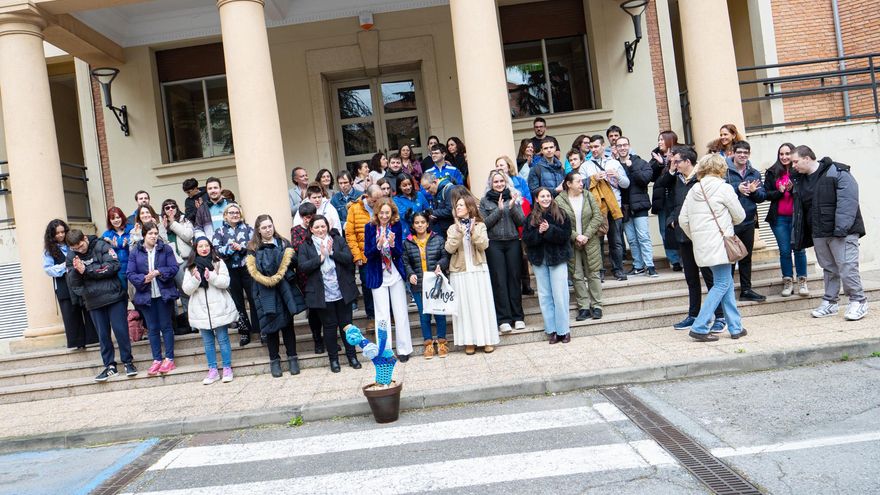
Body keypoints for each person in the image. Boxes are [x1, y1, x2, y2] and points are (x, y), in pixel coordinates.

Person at [791, 146, 868, 321]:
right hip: (819, 232)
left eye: (796, 161)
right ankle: (830, 302)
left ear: (807, 158)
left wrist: (841, 229)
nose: (793, 165)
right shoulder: (800, 179)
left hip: (841, 232)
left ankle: (858, 300)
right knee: (829, 269)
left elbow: (848, 201)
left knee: (847, 267)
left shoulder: (837, 171)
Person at [679, 154, 748, 341]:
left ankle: (735, 327)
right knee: (722, 284)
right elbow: (740, 216)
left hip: (702, 245)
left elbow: (683, 220)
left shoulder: (694, 189)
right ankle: (700, 326)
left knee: (725, 283)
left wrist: (697, 236)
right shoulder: (724, 188)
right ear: (721, 168)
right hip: (721, 243)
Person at [658, 146, 726, 332]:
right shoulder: (676, 179)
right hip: (682, 235)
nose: (674, 164)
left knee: (710, 277)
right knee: (691, 278)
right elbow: (672, 203)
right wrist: (672, 221)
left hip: (701, 236)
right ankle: (693, 314)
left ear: (688, 162)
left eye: (677, 161)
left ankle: (720, 316)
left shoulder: (702, 178)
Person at [65, 229, 137, 381]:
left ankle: (128, 362)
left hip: (114, 296)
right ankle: (110, 366)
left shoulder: (102, 245)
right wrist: (77, 272)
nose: (79, 250)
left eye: (81, 246)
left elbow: (113, 266)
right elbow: (72, 282)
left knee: (121, 331)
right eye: (75, 248)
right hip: (93, 300)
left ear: (85, 238)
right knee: (103, 336)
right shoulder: (71, 256)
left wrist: (87, 270)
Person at [297, 214, 362, 372]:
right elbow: (303, 267)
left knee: (347, 326)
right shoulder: (306, 246)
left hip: (342, 290)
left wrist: (331, 252)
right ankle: (333, 360)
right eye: (317, 227)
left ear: (327, 226)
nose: (320, 229)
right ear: (311, 229)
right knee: (329, 327)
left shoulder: (338, 240)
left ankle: (352, 356)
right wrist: (320, 257)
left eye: (323, 226)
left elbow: (348, 258)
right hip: (322, 293)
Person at [246, 214, 303, 377]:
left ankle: (292, 358)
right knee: (270, 327)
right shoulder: (253, 247)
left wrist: (286, 259)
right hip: (265, 289)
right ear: (258, 230)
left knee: (288, 325)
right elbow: (255, 269)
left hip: (284, 289)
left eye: (270, 226)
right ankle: (274, 360)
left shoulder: (283, 242)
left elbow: (294, 262)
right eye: (264, 227)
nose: (268, 230)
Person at [446, 192, 498, 354]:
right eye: (457, 206)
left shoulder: (480, 225)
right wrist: (459, 233)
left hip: (478, 270)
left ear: (469, 208)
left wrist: (473, 231)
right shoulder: (452, 228)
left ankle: (486, 339)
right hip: (460, 271)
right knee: (464, 308)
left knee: (481, 304)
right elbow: (449, 248)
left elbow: (483, 245)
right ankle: (469, 341)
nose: (458, 208)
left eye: (461, 205)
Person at [182, 237, 239, 385]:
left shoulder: (218, 262)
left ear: (211, 247)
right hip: (200, 310)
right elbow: (186, 290)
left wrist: (212, 277)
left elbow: (226, 282)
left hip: (218, 307)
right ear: (195, 249)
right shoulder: (191, 267)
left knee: (223, 339)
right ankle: (212, 370)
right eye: (200, 246)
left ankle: (227, 368)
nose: (204, 248)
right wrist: (195, 279)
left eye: (206, 245)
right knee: (208, 342)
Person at [127, 222, 179, 375]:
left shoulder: (166, 249)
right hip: (146, 295)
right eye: (150, 233)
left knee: (166, 326)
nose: (154, 236)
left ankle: (169, 359)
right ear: (144, 235)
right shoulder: (135, 252)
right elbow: (130, 273)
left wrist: (158, 272)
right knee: (152, 328)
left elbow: (174, 268)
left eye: (156, 233)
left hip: (164, 294)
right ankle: (157, 359)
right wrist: (144, 279)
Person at [363, 198, 413, 360]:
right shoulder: (369, 227)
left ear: (392, 213)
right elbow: (368, 253)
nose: (384, 216)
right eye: (382, 213)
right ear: (377, 213)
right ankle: (385, 351)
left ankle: (404, 349)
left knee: (400, 312)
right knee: (382, 315)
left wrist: (392, 244)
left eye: (387, 213)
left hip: (395, 273)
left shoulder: (396, 226)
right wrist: (378, 245)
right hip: (378, 274)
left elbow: (399, 252)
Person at [523, 188, 573, 344]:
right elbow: (527, 239)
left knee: (560, 295)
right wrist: (539, 232)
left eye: (548, 196)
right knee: (545, 296)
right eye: (542, 196)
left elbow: (565, 236)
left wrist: (549, 229)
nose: (545, 199)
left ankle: (564, 330)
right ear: (536, 199)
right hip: (540, 260)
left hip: (557, 258)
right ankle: (552, 330)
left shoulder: (561, 214)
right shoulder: (530, 217)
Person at [479, 170, 526, 333]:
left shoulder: (514, 197)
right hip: (494, 244)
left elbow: (522, 222)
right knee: (499, 280)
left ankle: (518, 317)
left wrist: (512, 207)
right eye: (496, 182)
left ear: (506, 182)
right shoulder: (484, 201)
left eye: (501, 181)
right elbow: (484, 224)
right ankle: (503, 319)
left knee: (514, 278)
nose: (499, 184)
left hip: (513, 242)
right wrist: (498, 211)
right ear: (491, 184)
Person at [556, 171, 604, 321]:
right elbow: (560, 222)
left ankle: (597, 306)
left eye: (582, 181)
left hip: (590, 240)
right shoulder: (559, 200)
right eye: (578, 181)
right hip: (571, 242)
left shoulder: (588, 196)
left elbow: (598, 216)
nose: (581, 184)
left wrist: (586, 235)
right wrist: (576, 236)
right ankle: (583, 307)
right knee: (576, 275)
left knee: (593, 273)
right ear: (569, 184)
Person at [43, 219, 98, 349]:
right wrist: (66, 265)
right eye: (57, 233)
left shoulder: (73, 242)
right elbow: (48, 269)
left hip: (81, 281)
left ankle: (93, 339)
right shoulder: (49, 251)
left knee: (88, 308)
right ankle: (77, 342)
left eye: (63, 232)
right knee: (70, 314)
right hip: (63, 285)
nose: (61, 235)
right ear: (52, 235)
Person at [402, 211, 450, 359]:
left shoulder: (438, 239)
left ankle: (442, 342)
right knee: (424, 316)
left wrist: (440, 265)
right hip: (419, 285)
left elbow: (445, 256)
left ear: (427, 224)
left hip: (436, 283)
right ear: (413, 225)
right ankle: (428, 344)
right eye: (417, 223)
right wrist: (410, 274)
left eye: (422, 222)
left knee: (439, 314)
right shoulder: (408, 242)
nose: (420, 225)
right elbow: (405, 262)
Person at [582, 135, 630, 281]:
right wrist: (593, 179)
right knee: (597, 242)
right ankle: (599, 271)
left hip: (614, 207)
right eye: (591, 147)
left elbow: (626, 184)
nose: (593, 149)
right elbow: (580, 186)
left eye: (596, 146)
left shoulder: (614, 163)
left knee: (616, 241)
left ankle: (618, 270)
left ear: (603, 146)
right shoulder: (585, 166)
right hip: (596, 209)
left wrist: (617, 176)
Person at [764, 142, 809, 297]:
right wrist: (780, 191)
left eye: (787, 154)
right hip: (779, 219)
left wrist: (793, 188)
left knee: (799, 249)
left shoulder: (800, 170)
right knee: (784, 251)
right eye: (781, 154)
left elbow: (806, 191)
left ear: (793, 154)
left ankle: (802, 281)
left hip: (797, 217)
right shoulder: (772, 172)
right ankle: (788, 281)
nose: (784, 157)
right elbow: (766, 195)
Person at [212, 203, 259, 346]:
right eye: (231, 213)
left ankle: (260, 329)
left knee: (254, 299)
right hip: (230, 270)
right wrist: (231, 249)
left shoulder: (249, 229)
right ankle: (244, 331)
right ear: (225, 215)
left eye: (237, 212)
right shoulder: (219, 231)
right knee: (237, 302)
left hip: (248, 269)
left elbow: (256, 246)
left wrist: (242, 247)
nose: (234, 215)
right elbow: (216, 250)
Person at [725, 140, 767, 302]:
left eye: (745, 153)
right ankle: (727, 291)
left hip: (748, 221)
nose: (742, 155)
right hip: (729, 222)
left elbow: (762, 197)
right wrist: (737, 189)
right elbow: (719, 194)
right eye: (739, 152)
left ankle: (746, 290)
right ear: (733, 153)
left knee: (746, 257)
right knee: (729, 257)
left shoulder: (754, 173)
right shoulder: (724, 171)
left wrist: (754, 191)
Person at [617, 136, 657, 277]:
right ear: (616, 148)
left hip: (640, 206)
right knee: (632, 239)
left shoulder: (640, 162)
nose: (622, 148)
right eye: (619, 145)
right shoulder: (614, 165)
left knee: (643, 237)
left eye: (625, 145)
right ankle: (638, 265)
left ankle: (650, 265)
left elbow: (644, 180)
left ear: (629, 146)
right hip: (624, 207)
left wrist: (631, 166)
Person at [346, 185, 384, 325]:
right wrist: (357, 255)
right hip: (364, 254)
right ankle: (371, 317)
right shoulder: (354, 209)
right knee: (368, 286)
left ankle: (387, 314)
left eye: (380, 200)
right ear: (367, 197)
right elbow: (350, 234)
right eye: (374, 200)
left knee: (384, 284)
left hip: (382, 253)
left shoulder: (383, 207)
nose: (377, 203)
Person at [290, 201, 325, 354]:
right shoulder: (297, 230)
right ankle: (317, 340)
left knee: (326, 309)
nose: (307, 220)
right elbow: (298, 248)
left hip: (323, 273)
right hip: (306, 276)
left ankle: (328, 338)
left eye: (310, 216)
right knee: (314, 310)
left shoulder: (321, 227)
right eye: (305, 217)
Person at [161, 199, 195, 332]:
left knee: (186, 292)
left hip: (183, 261)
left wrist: (173, 223)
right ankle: (175, 326)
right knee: (171, 296)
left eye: (173, 207)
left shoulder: (184, 220)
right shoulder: (161, 223)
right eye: (167, 207)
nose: (170, 209)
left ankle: (192, 324)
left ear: (177, 208)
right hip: (168, 263)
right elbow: (160, 242)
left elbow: (188, 236)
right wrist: (163, 228)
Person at [650, 130, 682, 271]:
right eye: (659, 139)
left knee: (680, 228)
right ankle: (674, 260)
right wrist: (660, 164)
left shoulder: (680, 154)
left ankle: (683, 257)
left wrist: (669, 162)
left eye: (662, 139)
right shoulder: (655, 155)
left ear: (670, 140)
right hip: (662, 200)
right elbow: (651, 176)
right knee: (664, 230)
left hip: (677, 198)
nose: (659, 142)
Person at [101, 207, 133, 287]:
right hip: (117, 270)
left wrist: (127, 246)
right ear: (109, 220)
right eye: (113, 218)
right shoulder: (107, 234)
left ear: (122, 217)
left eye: (118, 217)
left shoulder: (131, 230)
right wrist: (112, 246)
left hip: (132, 267)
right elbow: (103, 254)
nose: (116, 220)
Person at [421, 171, 458, 237]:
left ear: (435, 182)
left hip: (452, 232)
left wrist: (433, 213)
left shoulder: (449, 189)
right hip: (442, 230)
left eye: (428, 188)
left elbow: (451, 211)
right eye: (425, 189)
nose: (427, 191)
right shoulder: (436, 191)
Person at [393, 174, 429, 238]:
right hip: (407, 233)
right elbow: (405, 215)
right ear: (399, 187)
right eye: (404, 185)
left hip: (422, 232)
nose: (408, 187)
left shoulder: (419, 194)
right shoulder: (396, 199)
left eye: (409, 184)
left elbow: (427, 210)